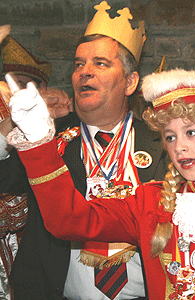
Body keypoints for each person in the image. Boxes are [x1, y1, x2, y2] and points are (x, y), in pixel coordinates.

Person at [5, 66, 195, 299]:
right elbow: (69, 221)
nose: (179, 147)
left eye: (192, 132)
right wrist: (38, 143)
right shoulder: (149, 202)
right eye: (170, 137)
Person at [0, 2, 167, 299]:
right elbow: (3, 177)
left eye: (100, 63)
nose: (84, 73)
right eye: (78, 64)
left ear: (130, 82)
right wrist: (11, 128)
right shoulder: (47, 142)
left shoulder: (166, 144)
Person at [0, 25, 72, 300]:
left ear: (42, 88)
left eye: (23, 84)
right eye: (9, 83)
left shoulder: (66, 124)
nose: (14, 92)